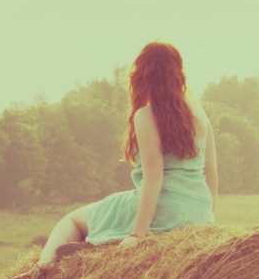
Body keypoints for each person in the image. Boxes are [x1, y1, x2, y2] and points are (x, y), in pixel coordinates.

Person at [38, 42, 218, 264]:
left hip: (163, 208)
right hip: (198, 211)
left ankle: (39, 274)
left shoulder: (146, 116)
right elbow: (211, 174)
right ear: (178, 73)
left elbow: (154, 179)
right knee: (113, 208)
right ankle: (101, 243)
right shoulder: (200, 114)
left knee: (72, 220)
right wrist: (207, 220)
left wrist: (137, 235)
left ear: (142, 75)